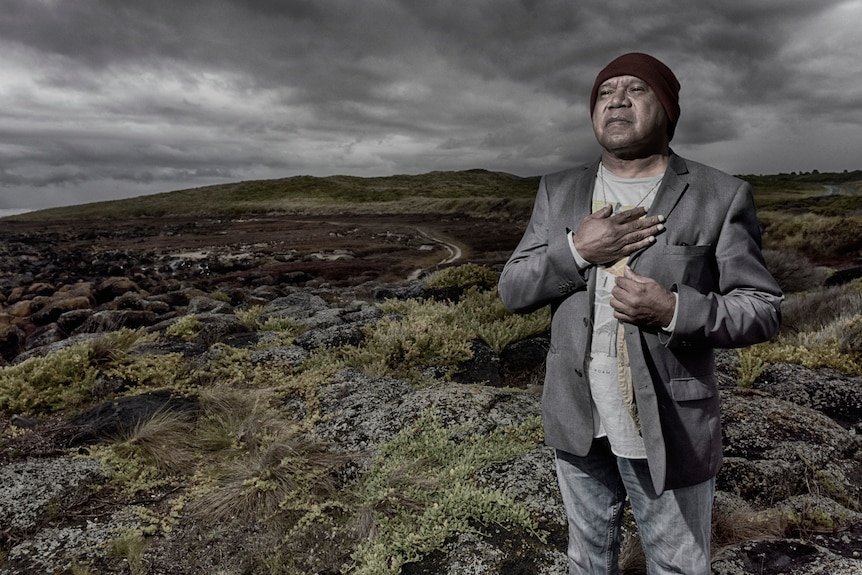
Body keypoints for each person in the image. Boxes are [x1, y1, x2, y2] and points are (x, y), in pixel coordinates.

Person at [498, 52, 783, 574]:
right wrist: (578, 250)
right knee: (587, 561)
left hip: (670, 426)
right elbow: (513, 289)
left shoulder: (720, 195)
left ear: (668, 109)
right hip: (578, 419)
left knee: (676, 564)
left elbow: (762, 308)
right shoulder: (557, 190)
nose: (618, 101)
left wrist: (674, 309)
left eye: (636, 90)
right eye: (605, 93)